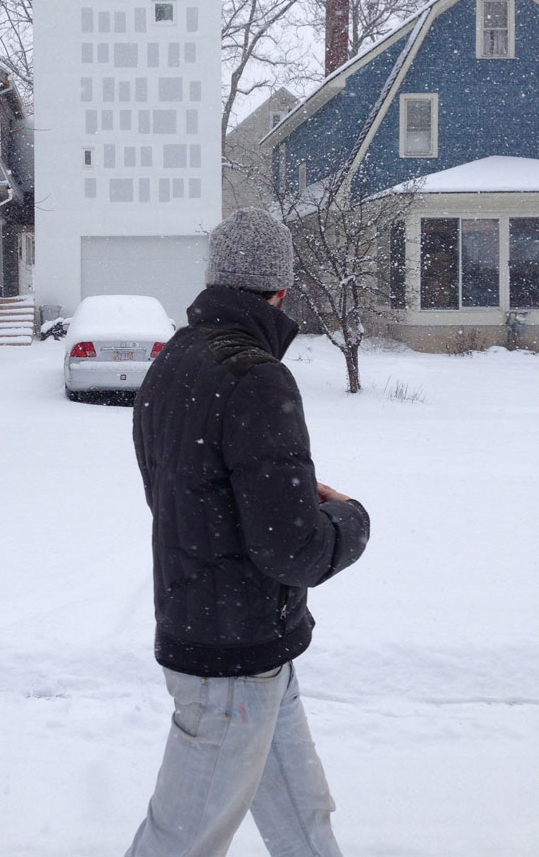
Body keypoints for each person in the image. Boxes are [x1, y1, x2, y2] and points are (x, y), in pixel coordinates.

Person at [125, 208, 371, 857]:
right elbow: (294, 550)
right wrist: (350, 519)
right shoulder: (256, 377)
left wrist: (279, 500)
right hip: (230, 660)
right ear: (280, 289)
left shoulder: (173, 361)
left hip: (243, 644)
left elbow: (180, 494)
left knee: (304, 820)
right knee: (180, 842)